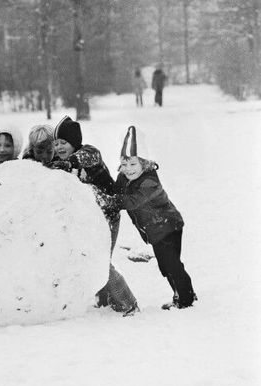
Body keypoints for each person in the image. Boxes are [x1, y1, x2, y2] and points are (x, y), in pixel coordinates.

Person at [49, 116, 138, 315]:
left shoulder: (89, 154)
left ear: (74, 142)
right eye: (56, 144)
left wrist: (67, 164)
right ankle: (105, 302)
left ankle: (127, 304)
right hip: (87, 219)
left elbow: (84, 158)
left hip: (108, 216)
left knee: (100, 262)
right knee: (90, 261)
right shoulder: (58, 162)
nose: (59, 147)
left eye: (63, 142)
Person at [114, 126, 196, 309]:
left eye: (133, 164)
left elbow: (131, 202)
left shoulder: (149, 181)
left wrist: (111, 201)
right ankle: (180, 293)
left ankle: (186, 298)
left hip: (169, 226)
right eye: (124, 164)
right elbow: (115, 191)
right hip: (156, 230)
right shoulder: (125, 177)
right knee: (166, 267)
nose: (128, 169)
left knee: (172, 265)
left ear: (144, 163)